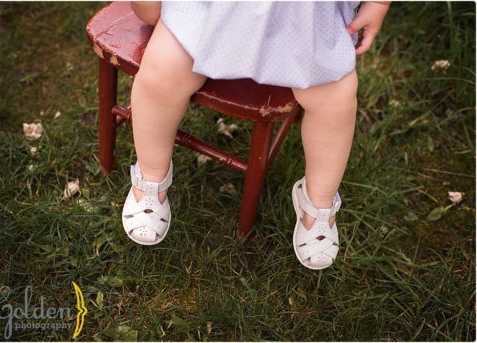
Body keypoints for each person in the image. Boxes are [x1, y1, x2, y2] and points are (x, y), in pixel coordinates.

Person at [121, 2, 390, 270]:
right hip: (209, 12)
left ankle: (319, 200)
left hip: (305, 24)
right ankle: (151, 174)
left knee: (336, 103)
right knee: (161, 75)